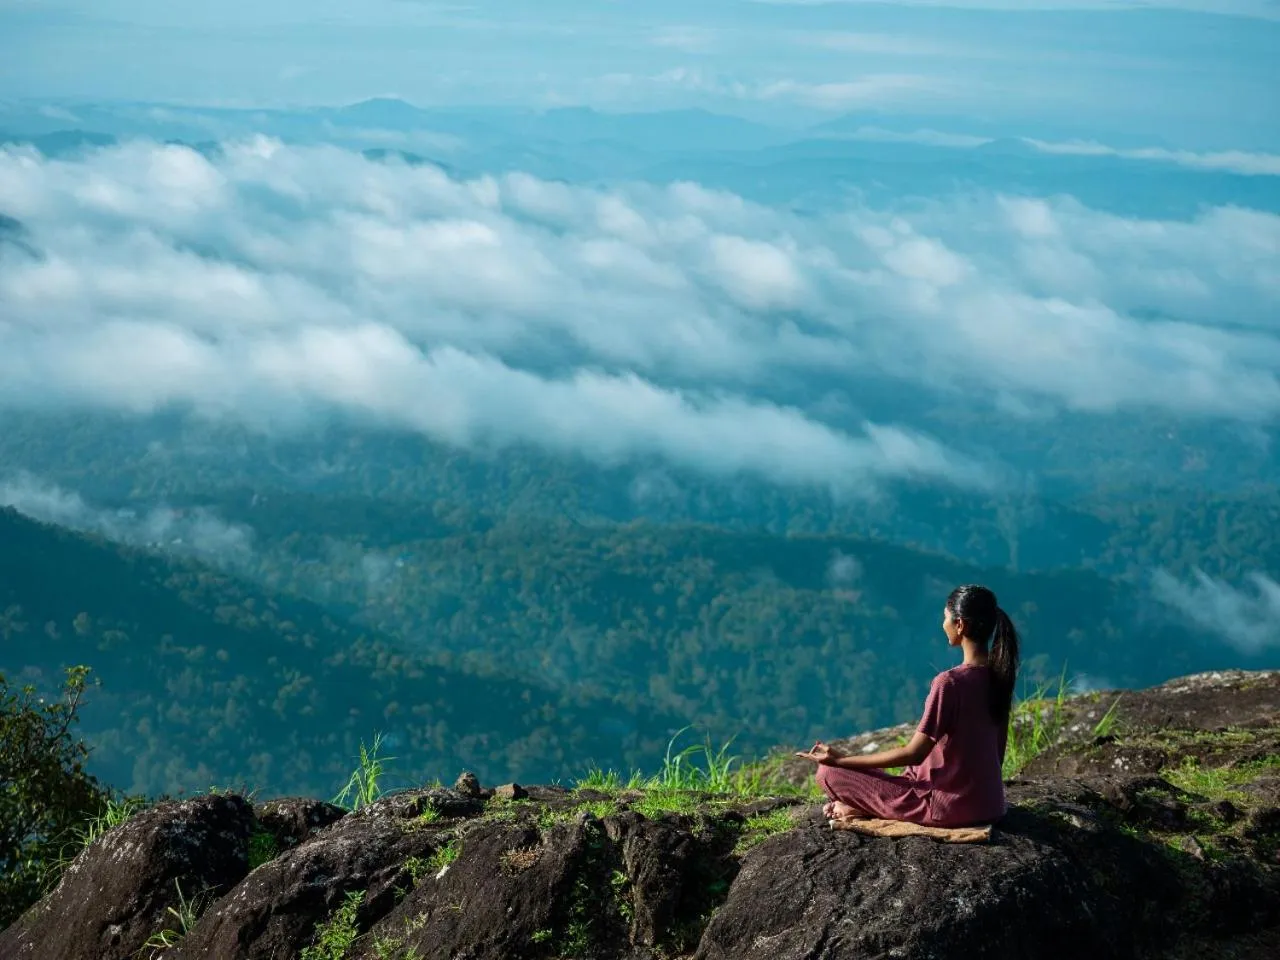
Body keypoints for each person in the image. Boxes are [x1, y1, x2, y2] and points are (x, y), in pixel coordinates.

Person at [795, 584, 1019, 828]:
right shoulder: (999, 678)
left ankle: (863, 807)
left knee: (828, 775)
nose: (943, 624)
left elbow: (914, 753)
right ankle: (862, 806)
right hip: (990, 805)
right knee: (908, 775)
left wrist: (841, 761)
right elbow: (997, 754)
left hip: (948, 809)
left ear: (960, 625)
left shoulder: (949, 683)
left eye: (945, 618)